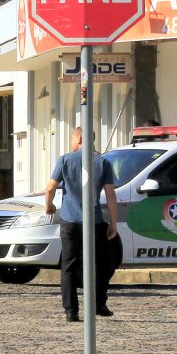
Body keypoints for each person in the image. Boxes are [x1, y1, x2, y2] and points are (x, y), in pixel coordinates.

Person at [44, 127, 120, 323]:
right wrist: (113, 222)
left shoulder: (65, 160)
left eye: (71, 138)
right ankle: (99, 304)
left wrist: (49, 206)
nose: (71, 142)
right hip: (93, 221)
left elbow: (50, 188)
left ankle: (71, 311)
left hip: (69, 221)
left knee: (68, 266)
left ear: (78, 139)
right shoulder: (103, 162)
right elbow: (111, 194)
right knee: (100, 264)